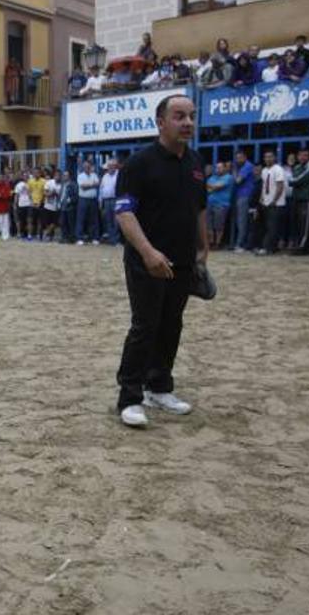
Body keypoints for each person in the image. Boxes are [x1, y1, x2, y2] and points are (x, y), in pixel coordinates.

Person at [113, 94, 207, 429]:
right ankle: (129, 397)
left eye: (192, 116)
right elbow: (124, 213)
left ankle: (159, 387)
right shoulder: (139, 163)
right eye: (179, 116)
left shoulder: (195, 162)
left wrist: (202, 248)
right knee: (145, 326)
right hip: (146, 261)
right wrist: (148, 252)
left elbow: (198, 209)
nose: (188, 123)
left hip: (182, 261)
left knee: (172, 324)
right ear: (160, 122)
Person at [288, 148, 309, 254]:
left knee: (306, 225)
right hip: (297, 198)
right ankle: (298, 245)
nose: (303, 157)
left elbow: (296, 180)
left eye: (305, 155)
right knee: (297, 223)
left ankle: (303, 247)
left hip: (308, 199)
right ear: (298, 157)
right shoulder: (297, 167)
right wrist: (292, 180)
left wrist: (292, 180)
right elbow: (292, 179)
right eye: (301, 155)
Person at [257, 151, 287, 255]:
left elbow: (280, 186)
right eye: (266, 157)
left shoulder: (278, 169)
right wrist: (261, 198)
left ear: (274, 158)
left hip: (276, 203)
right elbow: (264, 185)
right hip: (265, 202)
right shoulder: (264, 170)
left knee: (272, 227)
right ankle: (272, 248)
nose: (268, 159)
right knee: (268, 226)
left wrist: (274, 200)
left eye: (270, 157)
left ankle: (267, 248)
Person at [206, 161, 233, 249]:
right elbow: (208, 190)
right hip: (210, 204)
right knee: (209, 225)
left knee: (219, 225)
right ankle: (211, 242)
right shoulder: (213, 177)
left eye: (220, 167)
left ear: (225, 168)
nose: (218, 169)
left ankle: (217, 243)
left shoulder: (228, 177)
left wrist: (210, 186)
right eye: (217, 167)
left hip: (221, 204)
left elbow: (215, 187)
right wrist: (212, 187)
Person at [75, 161, 101, 244]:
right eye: (85, 166)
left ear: (90, 167)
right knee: (81, 219)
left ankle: (95, 238)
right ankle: (79, 238)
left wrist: (88, 185)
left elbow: (98, 184)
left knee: (94, 219)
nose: (87, 168)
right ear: (83, 167)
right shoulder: (80, 176)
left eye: (88, 166)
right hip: (83, 199)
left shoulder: (94, 175)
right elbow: (82, 186)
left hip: (93, 200)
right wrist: (92, 184)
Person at [99, 160, 121, 244]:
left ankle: (116, 239)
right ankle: (111, 239)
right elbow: (101, 189)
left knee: (116, 221)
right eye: (109, 166)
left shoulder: (118, 175)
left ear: (115, 167)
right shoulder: (105, 176)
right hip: (106, 201)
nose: (110, 168)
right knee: (108, 220)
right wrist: (100, 201)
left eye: (112, 166)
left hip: (115, 200)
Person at [58, 169, 77, 243]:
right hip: (62, 206)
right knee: (62, 223)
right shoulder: (63, 184)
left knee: (71, 223)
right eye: (64, 175)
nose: (64, 177)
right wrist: (59, 202)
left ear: (69, 176)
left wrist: (71, 200)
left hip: (70, 207)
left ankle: (71, 238)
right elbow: (61, 194)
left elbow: (76, 196)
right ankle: (64, 237)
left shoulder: (73, 184)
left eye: (66, 175)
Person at [41, 169, 61, 241]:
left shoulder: (61, 185)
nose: (57, 177)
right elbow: (45, 193)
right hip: (48, 206)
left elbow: (62, 196)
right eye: (56, 175)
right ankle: (50, 236)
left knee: (54, 223)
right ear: (54, 176)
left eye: (59, 176)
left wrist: (57, 194)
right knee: (47, 222)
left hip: (56, 207)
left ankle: (47, 233)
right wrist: (51, 193)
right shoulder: (49, 182)